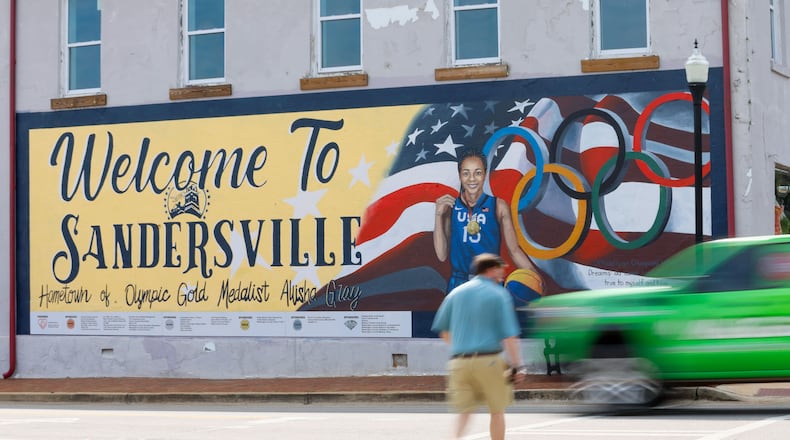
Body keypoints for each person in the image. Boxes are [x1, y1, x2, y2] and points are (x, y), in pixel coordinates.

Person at [431, 253, 527, 440]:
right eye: (500, 269)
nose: (503, 273)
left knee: (464, 413)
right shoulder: (499, 294)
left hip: (459, 362)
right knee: (497, 411)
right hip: (489, 361)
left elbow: (443, 331)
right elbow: (509, 336)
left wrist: (461, 346)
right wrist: (517, 365)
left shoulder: (455, 294)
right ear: (491, 270)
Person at [434, 150, 540, 293]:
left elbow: (514, 250)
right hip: (459, 284)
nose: (472, 179)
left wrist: (535, 278)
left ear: (484, 174)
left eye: (477, 173)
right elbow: (441, 255)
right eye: (466, 173)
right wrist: (438, 215)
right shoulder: (450, 207)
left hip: (490, 283)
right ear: (460, 176)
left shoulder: (498, 205)